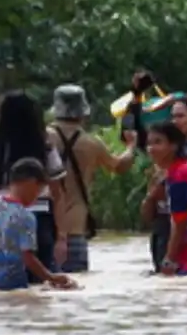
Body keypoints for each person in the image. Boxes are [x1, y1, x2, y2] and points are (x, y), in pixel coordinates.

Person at [0, 91, 67, 281]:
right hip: (40, 217)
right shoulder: (45, 147)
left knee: (5, 279)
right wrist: (62, 237)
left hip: (0, 218)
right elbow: (58, 195)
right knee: (41, 282)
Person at [47, 84, 136, 273]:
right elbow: (119, 166)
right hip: (75, 231)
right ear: (83, 113)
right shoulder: (92, 143)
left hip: (43, 230)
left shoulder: (43, 137)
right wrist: (131, 147)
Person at [0, 158, 77, 291]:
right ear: (31, 183)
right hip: (14, 284)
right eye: (39, 191)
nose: (37, 197)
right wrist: (50, 277)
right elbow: (27, 257)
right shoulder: (25, 216)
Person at [147, 93, 187, 272]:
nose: (151, 149)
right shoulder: (174, 169)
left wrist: (169, 258)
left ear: (173, 146)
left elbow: (181, 219)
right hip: (185, 236)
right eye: (149, 143)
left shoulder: (182, 172)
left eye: (158, 143)